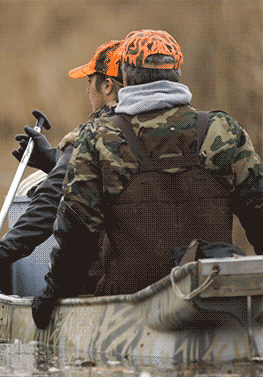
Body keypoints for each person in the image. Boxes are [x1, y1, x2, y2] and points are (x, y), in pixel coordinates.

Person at [31, 29, 263, 329]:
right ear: (177, 75)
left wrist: (52, 292)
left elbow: (76, 232)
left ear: (125, 77)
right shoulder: (224, 129)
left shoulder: (99, 137)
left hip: (128, 316)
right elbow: (259, 214)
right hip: (221, 308)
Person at [0, 40, 125, 293]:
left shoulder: (91, 136)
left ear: (107, 86)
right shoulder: (176, 129)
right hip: (160, 273)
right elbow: (114, 174)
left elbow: (49, 204)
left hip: (105, 285)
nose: (87, 91)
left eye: (89, 82)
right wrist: (53, 160)